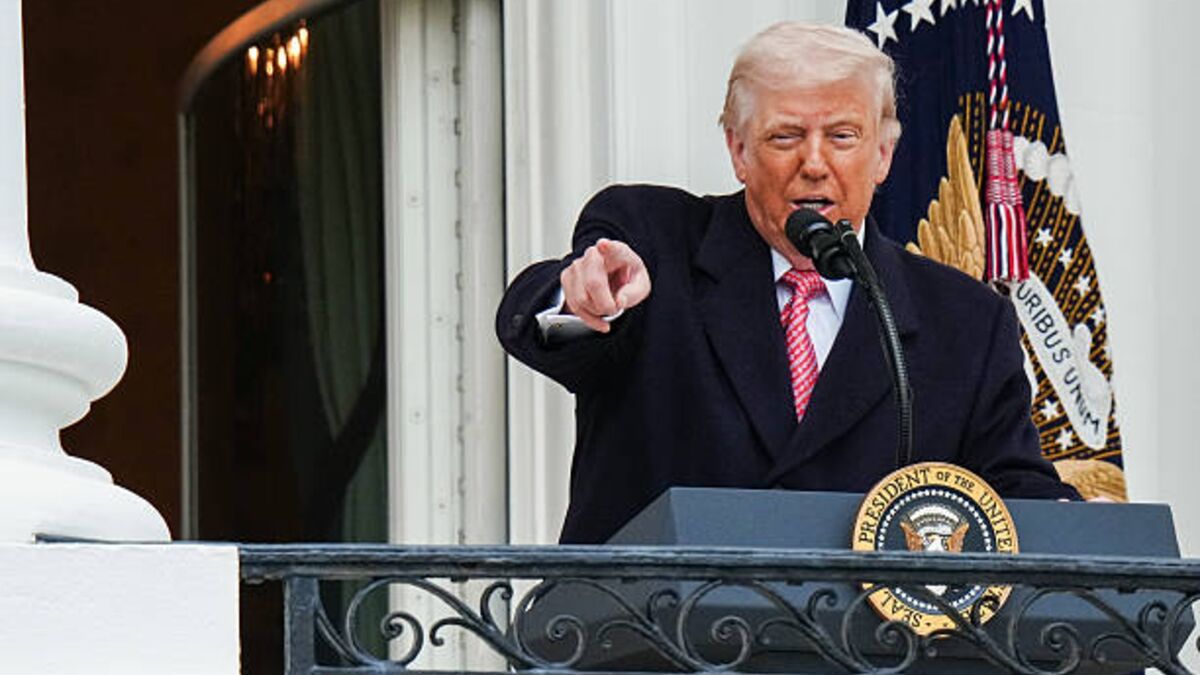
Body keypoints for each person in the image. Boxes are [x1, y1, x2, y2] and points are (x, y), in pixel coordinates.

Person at [496, 22, 1079, 545]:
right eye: (785, 137)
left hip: (862, 631)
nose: (814, 163)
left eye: (843, 136)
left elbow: (1014, 493)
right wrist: (582, 303)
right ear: (738, 150)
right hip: (647, 625)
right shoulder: (654, 240)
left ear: (883, 155)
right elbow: (541, 325)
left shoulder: (966, 320)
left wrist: (1076, 524)